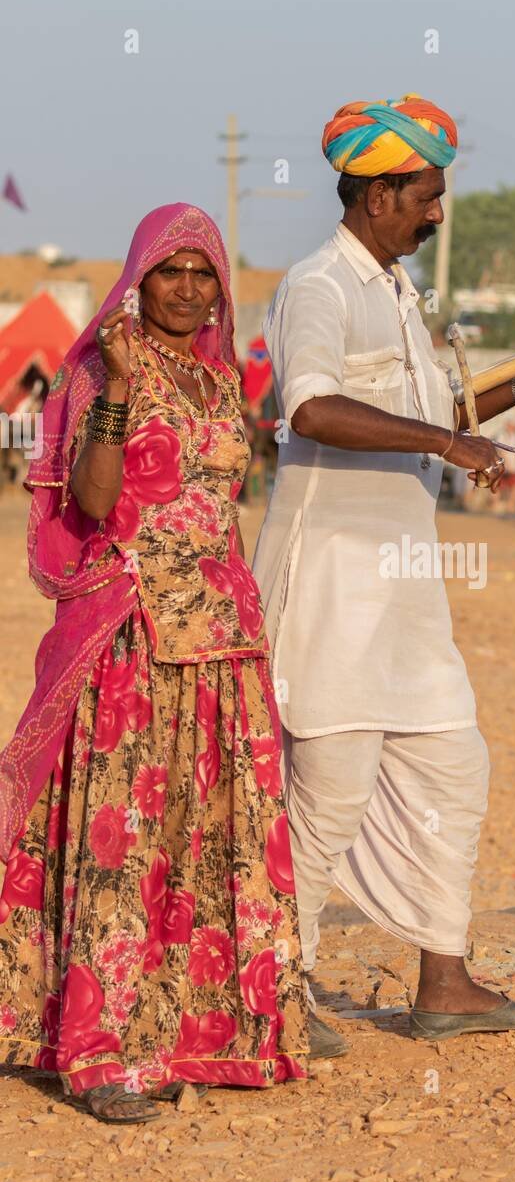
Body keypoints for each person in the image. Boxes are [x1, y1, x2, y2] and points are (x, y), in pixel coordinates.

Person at [252, 95, 515, 1052]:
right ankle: (279, 982)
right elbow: (313, 408)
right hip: (330, 575)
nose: (437, 215)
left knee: (454, 761)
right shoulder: (319, 285)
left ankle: (443, 980)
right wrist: (450, 440)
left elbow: (446, 404)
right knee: (330, 783)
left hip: (405, 580)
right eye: (427, 198)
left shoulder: (402, 292)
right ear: (377, 195)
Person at [0, 204, 307, 1122]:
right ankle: (100, 1054)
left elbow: (224, 506)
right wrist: (123, 389)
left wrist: (252, 610)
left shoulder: (222, 381)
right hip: (131, 637)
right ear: (138, 278)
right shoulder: (101, 369)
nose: (185, 287)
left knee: (202, 839)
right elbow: (94, 501)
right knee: (119, 840)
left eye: (201, 272)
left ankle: (192, 1033)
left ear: (221, 284)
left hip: (220, 641)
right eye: (167, 270)